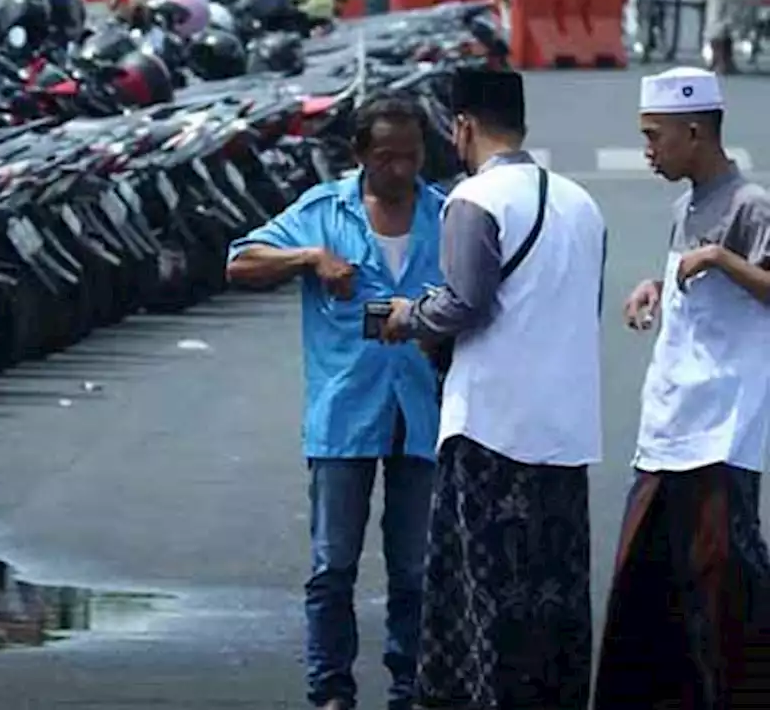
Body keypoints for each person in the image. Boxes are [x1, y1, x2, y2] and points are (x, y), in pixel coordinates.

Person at [378, 68, 607, 710]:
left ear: (464, 126)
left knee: (483, 596)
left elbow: (465, 304)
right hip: (565, 429)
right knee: (555, 592)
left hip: (492, 429)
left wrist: (410, 316)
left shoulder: (474, 199)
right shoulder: (580, 202)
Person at [227, 93, 447, 710]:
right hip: (344, 418)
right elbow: (239, 261)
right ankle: (331, 691)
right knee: (333, 567)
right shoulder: (324, 212)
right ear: (358, 156)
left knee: (415, 568)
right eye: (387, 158)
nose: (401, 170)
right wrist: (308, 258)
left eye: (411, 156)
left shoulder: (449, 214)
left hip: (423, 416)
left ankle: (412, 685)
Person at [593, 67, 770, 710]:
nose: (647, 152)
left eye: (654, 137)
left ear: (693, 131)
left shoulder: (750, 206)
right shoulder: (684, 205)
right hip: (671, 421)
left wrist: (723, 258)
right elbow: (693, 285)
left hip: (722, 428)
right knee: (645, 583)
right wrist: (655, 288)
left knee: (725, 585)